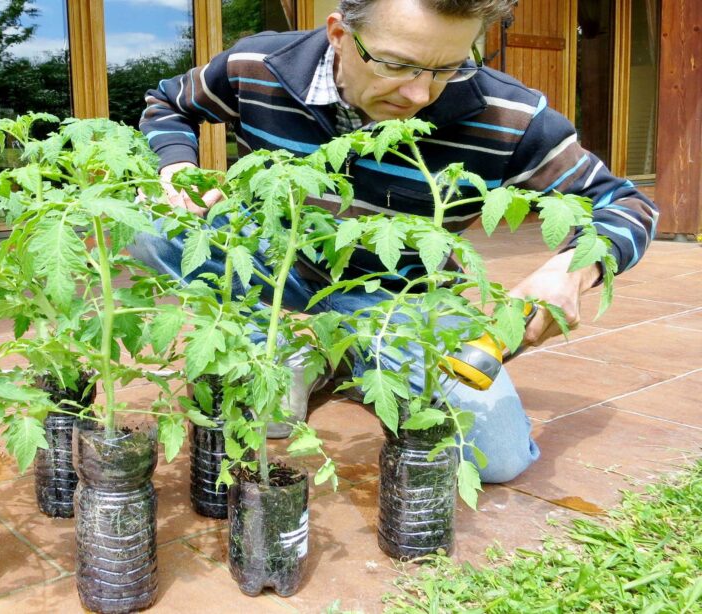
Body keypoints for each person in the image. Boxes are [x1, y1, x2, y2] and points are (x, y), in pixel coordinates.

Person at [130, 0, 659, 482]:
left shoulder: (509, 115)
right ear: (339, 34)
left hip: (397, 294)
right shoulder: (259, 67)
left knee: (496, 459)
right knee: (146, 225)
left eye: (447, 67)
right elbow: (167, 103)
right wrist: (177, 167)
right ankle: (279, 351)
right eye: (396, 64)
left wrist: (572, 271)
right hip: (273, 262)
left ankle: (351, 353)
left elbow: (627, 204)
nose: (419, 94)